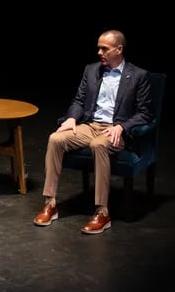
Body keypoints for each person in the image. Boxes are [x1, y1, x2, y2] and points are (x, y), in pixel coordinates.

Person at [34, 29, 153, 234]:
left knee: (98, 145)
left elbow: (145, 113)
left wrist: (122, 126)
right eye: (98, 48)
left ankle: (102, 212)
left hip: (116, 130)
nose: (99, 52)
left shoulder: (138, 76)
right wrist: (72, 118)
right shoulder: (91, 70)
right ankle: (50, 203)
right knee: (55, 138)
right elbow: (79, 101)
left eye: (104, 48)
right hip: (90, 125)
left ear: (119, 49)